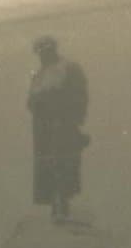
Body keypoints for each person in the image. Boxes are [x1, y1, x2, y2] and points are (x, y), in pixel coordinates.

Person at [27, 35, 90, 219]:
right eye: (40, 53)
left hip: (63, 125)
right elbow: (30, 102)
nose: (42, 56)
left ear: (53, 49)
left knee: (63, 165)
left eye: (46, 51)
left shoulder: (69, 68)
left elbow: (80, 97)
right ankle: (55, 203)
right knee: (48, 167)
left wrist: (71, 119)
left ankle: (63, 203)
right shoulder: (38, 76)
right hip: (43, 129)